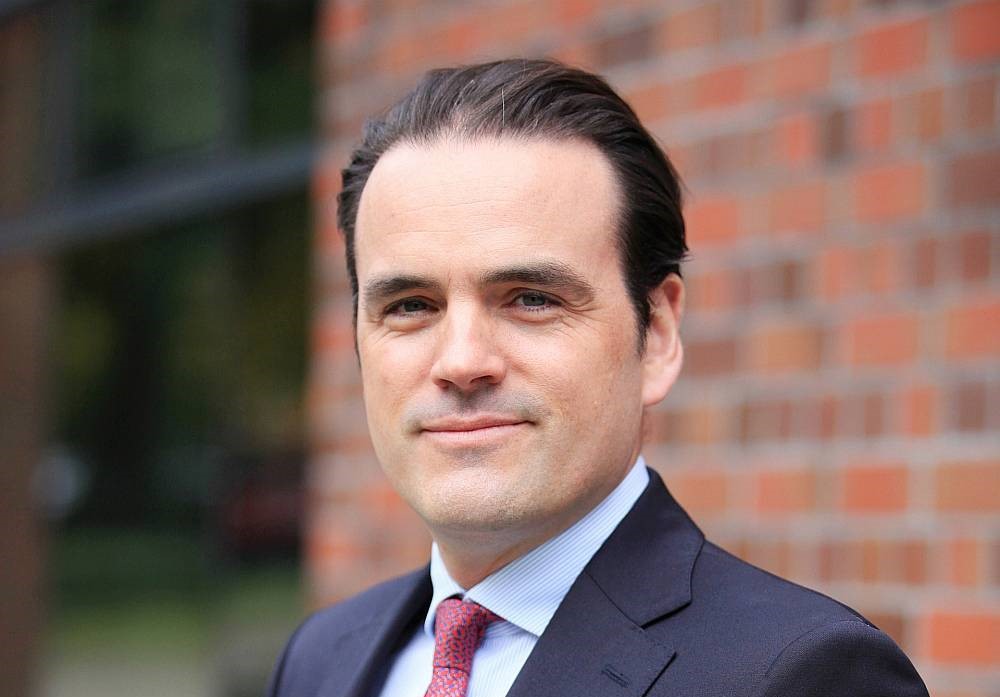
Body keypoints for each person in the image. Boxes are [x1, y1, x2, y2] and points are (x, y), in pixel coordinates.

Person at [267, 59, 929, 697]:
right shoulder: (320, 658)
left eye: (531, 298)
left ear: (657, 334)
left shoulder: (805, 675)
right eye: (411, 306)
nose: (461, 362)